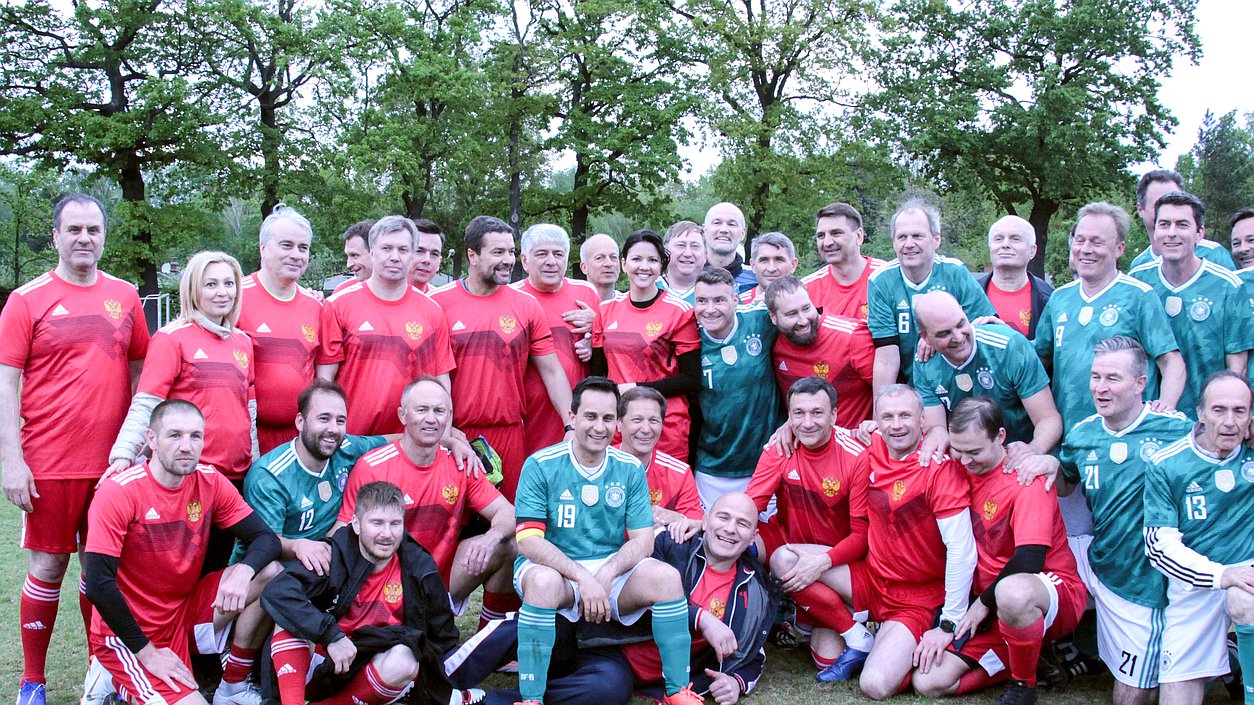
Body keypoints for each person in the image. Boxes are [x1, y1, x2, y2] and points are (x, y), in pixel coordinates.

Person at [0, 193, 149, 705]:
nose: (85, 238)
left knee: (100, 570)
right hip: (49, 462)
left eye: (94, 230)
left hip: (114, 464)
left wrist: (140, 443)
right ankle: (33, 681)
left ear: (104, 236)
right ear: (57, 236)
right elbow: (6, 383)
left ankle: (99, 672)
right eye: (75, 230)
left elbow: (141, 375)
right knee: (47, 567)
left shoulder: (127, 297)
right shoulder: (27, 299)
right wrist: (11, 460)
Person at [512, 377, 702, 705]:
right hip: (556, 571)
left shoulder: (628, 468)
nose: (599, 427)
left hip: (609, 571)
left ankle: (677, 692)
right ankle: (531, 698)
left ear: (616, 422)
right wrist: (583, 577)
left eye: (608, 418)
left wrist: (607, 573)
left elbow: (643, 541)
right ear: (571, 418)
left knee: (667, 578)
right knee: (541, 583)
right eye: (590, 416)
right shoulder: (540, 464)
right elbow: (528, 541)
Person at [1025, 337, 1194, 704]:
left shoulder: (1178, 430)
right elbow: (1067, 483)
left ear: (1140, 383)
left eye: (1112, 378)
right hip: (1105, 562)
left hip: (1154, 578)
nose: (1100, 388)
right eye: (1095, 376)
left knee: (1138, 696)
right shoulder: (1084, 432)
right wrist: (1048, 463)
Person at [84, 399, 282, 705]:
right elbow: (98, 584)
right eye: (174, 435)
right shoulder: (119, 491)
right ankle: (112, 673)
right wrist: (148, 654)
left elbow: (265, 538)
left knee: (270, 572)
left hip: (181, 613)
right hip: (129, 633)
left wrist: (245, 570)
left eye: (195, 436)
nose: (186, 446)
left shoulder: (210, 481)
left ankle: (233, 687)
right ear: (151, 439)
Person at [911, 398, 1085, 705]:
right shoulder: (955, 466)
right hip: (990, 601)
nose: (964, 460)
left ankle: (1023, 684)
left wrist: (981, 604)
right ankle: (1026, 655)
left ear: (1001, 437)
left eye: (974, 451)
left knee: (1012, 594)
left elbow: (1030, 559)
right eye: (958, 449)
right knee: (929, 683)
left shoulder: (1026, 477)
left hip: (1045, 589)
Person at [336, 378, 517, 626]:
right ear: (402, 415)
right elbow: (344, 533)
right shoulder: (372, 467)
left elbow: (508, 512)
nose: (431, 418)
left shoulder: (461, 464)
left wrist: (491, 537)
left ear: (448, 417)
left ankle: (488, 639)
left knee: (508, 544)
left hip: (439, 580)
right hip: (384, 587)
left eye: (439, 411)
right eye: (422, 410)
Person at [263, 481, 464, 705]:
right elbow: (276, 592)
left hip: (368, 675)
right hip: (322, 661)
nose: (386, 534)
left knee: (406, 659)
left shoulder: (420, 568)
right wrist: (330, 636)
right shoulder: (332, 555)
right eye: (377, 523)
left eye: (395, 524)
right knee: (289, 616)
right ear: (356, 525)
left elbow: (442, 637)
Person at [431, 215, 573, 500]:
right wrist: (443, 431)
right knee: (454, 522)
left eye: (510, 251)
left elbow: (552, 372)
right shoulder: (438, 303)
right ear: (472, 255)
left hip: (510, 434)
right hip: (456, 435)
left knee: (510, 522)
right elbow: (432, 378)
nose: (508, 260)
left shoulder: (526, 305)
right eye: (498, 252)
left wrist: (570, 424)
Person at [745, 377, 875, 682]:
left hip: (845, 564)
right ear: (788, 417)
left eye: (817, 413)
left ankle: (847, 622)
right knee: (824, 658)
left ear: (834, 415)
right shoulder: (780, 447)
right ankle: (852, 630)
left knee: (783, 560)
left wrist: (822, 563)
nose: (807, 422)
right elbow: (751, 506)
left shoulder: (855, 455)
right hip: (801, 557)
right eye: (798, 413)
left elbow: (861, 537)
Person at [857, 385, 976, 701]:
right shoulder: (870, 446)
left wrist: (949, 621)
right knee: (789, 560)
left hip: (917, 598)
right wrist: (788, 425)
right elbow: (821, 427)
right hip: (873, 582)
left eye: (906, 415)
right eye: (888, 417)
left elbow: (962, 550)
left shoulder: (939, 467)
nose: (897, 425)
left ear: (924, 420)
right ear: (877, 422)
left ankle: (899, 644)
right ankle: (857, 635)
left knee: (875, 684)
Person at [1143, 371, 1254, 705]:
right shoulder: (1168, 463)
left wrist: (1234, 576)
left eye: (1240, 411)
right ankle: (1231, 657)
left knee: (1243, 599)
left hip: (1247, 572)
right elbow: (1159, 546)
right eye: (1219, 410)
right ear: (1201, 413)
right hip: (1196, 583)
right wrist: (1220, 575)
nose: (1230, 422)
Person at [616, 493, 779, 704]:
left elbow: (754, 648)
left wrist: (736, 682)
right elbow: (628, 595)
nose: (730, 529)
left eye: (742, 524)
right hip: (621, 658)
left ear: (752, 537)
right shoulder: (670, 544)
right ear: (705, 520)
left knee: (611, 689)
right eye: (723, 517)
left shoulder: (755, 587)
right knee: (604, 690)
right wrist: (701, 618)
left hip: (686, 682)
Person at [1035, 201, 1185, 430]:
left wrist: (1164, 409)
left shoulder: (1139, 296)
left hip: (1126, 436)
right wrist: (1003, 336)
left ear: (1119, 249)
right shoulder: (1059, 298)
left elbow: (1171, 361)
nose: (1085, 249)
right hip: (1070, 436)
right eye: (1080, 240)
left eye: (1097, 242)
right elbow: (1039, 357)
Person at [110, 251, 256, 484]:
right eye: (211, 284)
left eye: (229, 284)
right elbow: (147, 403)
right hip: (190, 475)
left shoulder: (243, 342)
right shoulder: (170, 338)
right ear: (193, 289)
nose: (222, 292)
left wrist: (255, 466)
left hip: (238, 475)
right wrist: (123, 454)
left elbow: (248, 411)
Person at [318, 216, 455, 435]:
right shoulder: (338, 305)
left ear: (411, 255)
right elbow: (324, 380)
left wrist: (444, 438)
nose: (395, 257)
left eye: (403, 250)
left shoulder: (432, 311)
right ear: (372, 252)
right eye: (386, 248)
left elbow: (442, 382)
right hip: (354, 440)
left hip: (412, 443)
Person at [239, 380, 389, 571]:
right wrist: (298, 545)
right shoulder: (269, 476)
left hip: (322, 564)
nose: (333, 429)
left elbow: (391, 443)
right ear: (300, 422)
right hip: (271, 571)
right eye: (324, 419)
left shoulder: (346, 447)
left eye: (340, 420)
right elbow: (265, 544)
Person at [1130, 191, 1252, 414]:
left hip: (1207, 422)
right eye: (1164, 224)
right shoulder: (1137, 281)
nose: (1172, 233)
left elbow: (1238, 367)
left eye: (1182, 225)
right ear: (1155, 232)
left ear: (1199, 233)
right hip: (1150, 419)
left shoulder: (1228, 286)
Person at [912, 291, 1062, 467]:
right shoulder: (924, 362)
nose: (959, 338)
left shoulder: (1009, 345)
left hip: (1018, 459)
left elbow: (1049, 419)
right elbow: (936, 426)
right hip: (969, 462)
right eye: (944, 334)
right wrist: (936, 434)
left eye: (961, 324)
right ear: (925, 337)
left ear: (963, 312)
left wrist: (1033, 449)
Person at [591, 230, 701, 461]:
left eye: (652, 260)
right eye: (636, 259)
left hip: (665, 425)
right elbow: (598, 373)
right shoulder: (606, 310)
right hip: (619, 424)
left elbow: (691, 379)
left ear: (662, 266)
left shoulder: (679, 312)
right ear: (624, 263)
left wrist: (636, 387)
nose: (644, 266)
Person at [867, 200, 996, 389]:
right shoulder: (880, 281)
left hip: (958, 379)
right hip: (909, 384)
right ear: (893, 242)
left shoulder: (955, 272)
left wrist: (937, 339)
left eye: (917, 236)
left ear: (936, 239)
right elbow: (886, 358)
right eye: (902, 237)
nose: (909, 244)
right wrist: (881, 412)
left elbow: (985, 328)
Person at [691, 268, 782, 504]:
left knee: (761, 538)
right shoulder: (687, 337)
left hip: (763, 461)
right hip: (712, 466)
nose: (710, 309)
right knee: (713, 537)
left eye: (719, 300)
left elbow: (803, 318)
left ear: (735, 299)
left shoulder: (760, 319)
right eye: (702, 301)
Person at [238, 206, 324, 454]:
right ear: (263, 249)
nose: (296, 255)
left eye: (303, 248)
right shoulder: (234, 298)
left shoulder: (315, 306)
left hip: (298, 440)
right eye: (286, 245)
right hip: (247, 439)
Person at [513, 224, 600, 454]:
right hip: (529, 416)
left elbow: (609, 344)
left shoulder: (587, 292)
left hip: (580, 411)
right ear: (524, 260)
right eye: (542, 254)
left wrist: (595, 336)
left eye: (558, 254)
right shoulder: (512, 297)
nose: (551, 261)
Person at [767, 276, 875, 429]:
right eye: (791, 314)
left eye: (806, 308)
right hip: (803, 442)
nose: (803, 321)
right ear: (773, 317)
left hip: (853, 441)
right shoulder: (771, 343)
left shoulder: (851, 337)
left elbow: (889, 392)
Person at [615, 387, 702, 535]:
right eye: (637, 420)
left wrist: (677, 518)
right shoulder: (599, 464)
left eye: (654, 420)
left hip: (655, 555)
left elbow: (695, 523)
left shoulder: (679, 473)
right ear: (619, 424)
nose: (646, 429)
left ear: (662, 425)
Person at [1129, 170, 1235, 270]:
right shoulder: (1139, 267)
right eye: (1158, 205)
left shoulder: (1214, 254)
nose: (1168, 210)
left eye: (1176, 203)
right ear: (1140, 210)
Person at [803, 202, 885, 319]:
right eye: (821, 236)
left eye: (836, 233)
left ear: (859, 236)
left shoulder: (886, 278)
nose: (827, 242)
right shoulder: (806, 289)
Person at [975, 216, 1053, 339]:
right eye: (998, 239)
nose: (1005, 245)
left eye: (1015, 239)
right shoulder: (970, 296)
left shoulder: (1049, 300)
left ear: (1032, 251)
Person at [703, 203, 756, 293]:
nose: (724, 230)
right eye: (717, 223)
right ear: (705, 229)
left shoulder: (756, 280)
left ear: (743, 233)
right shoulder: (686, 277)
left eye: (731, 224)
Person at [738, 232, 798, 304]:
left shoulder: (807, 300)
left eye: (779, 260)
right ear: (753, 265)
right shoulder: (737, 305)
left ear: (793, 265)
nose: (771, 268)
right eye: (764, 260)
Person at [660, 221, 707, 304]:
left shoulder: (717, 293)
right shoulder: (648, 290)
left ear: (706, 255)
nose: (687, 253)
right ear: (665, 253)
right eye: (681, 245)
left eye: (695, 246)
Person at [579, 233, 621, 302]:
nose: (609, 263)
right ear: (584, 267)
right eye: (600, 258)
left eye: (613, 257)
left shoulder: (631, 306)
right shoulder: (573, 306)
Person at [410, 218, 444, 293]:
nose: (427, 260)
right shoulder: (381, 295)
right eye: (419, 251)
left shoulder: (441, 301)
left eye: (434, 254)